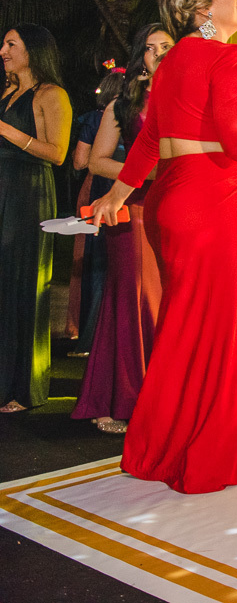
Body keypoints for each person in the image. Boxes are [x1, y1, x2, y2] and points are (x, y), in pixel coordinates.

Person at [91, 0, 237, 492]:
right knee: (219, 331)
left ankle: (159, 448)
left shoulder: (170, 63)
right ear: (202, 8)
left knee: (183, 329)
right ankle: (208, 454)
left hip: (174, 202)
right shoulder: (228, 58)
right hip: (213, 202)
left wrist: (117, 194)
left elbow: (148, 142)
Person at [71, 24, 173, 433]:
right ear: (140, 60)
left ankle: (166, 397)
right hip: (134, 211)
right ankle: (123, 398)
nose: (159, 54)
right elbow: (96, 161)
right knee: (133, 298)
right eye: (150, 49)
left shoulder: (187, 99)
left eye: (167, 46)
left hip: (179, 210)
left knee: (170, 302)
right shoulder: (124, 103)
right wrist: (150, 174)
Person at [0, 23, 72, 413]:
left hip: (29, 194)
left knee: (23, 285)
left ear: (34, 50)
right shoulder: (9, 93)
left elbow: (57, 153)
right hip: (2, 189)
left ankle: (23, 389)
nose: (2, 51)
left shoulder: (51, 94)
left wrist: (6, 131)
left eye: (11, 44)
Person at [66, 69, 127, 356]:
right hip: (136, 193)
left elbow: (79, 162)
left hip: (101, 192)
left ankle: (90, 337)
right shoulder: (140, 116)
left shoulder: (95, 119)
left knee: (96, 264)